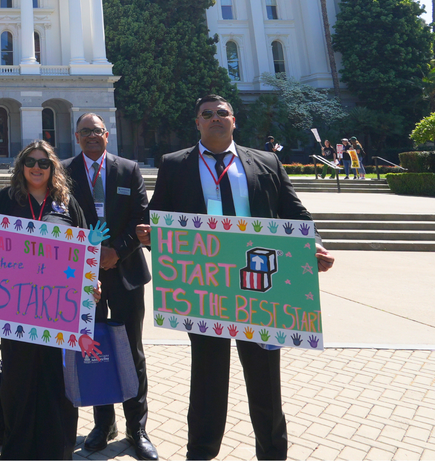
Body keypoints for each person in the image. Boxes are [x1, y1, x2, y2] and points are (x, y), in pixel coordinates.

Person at [137, 95, 335, 461]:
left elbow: (295, 212)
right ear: (197, 122)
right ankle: (201, 452)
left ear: (234, 120)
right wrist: (150, 236)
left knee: (265, 380)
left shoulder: (267, 162)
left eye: (222, 113)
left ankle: (272, 453)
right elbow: (157, 214)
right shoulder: (175, 164)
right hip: (206, 287)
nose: (215, 118)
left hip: (259, 287)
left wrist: (315, 245)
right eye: (207, 114)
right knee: (207, 378)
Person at [0, 140, 92, 460]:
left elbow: (86, 249)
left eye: (43, 163)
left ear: (52, 168)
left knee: (56, 382)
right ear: (21, 166)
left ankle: (56, 450)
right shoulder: (5, 199)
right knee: (18, 382)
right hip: (16, 311)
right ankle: (17, 450)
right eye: (30, 162)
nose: (37, 167)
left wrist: (91, 283)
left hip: (58, 312)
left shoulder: (66, 202)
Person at [62, 114, 156, 460]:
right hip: (85, 278)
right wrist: (90, 256)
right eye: (85, 131)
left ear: (106, 134)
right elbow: (61, 218)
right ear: (77, 136)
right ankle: (103, 424)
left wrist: (117, 251)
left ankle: (137, 426)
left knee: (132, 349)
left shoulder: (128, 169)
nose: (91, 136)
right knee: (94, 348)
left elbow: (140, 217)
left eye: (97, 131)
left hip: (126, 270)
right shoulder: (64, 171)